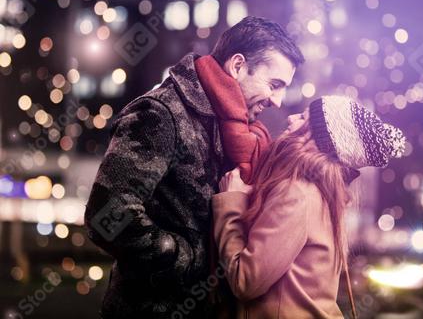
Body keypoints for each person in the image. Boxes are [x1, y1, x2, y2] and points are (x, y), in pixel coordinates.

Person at [84, 16, 304, 319]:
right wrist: (193, 259)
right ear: (237, 66)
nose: (278, 101)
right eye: (274, 85)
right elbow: (106, 217)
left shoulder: (238, 130)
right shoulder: (161, 113)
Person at [213, 95, 406, 318]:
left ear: (315, 139)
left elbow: (244, 280)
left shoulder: (298, 194)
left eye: (303, 117)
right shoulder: (323, 195)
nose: (291, 118)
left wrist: (232, 202)